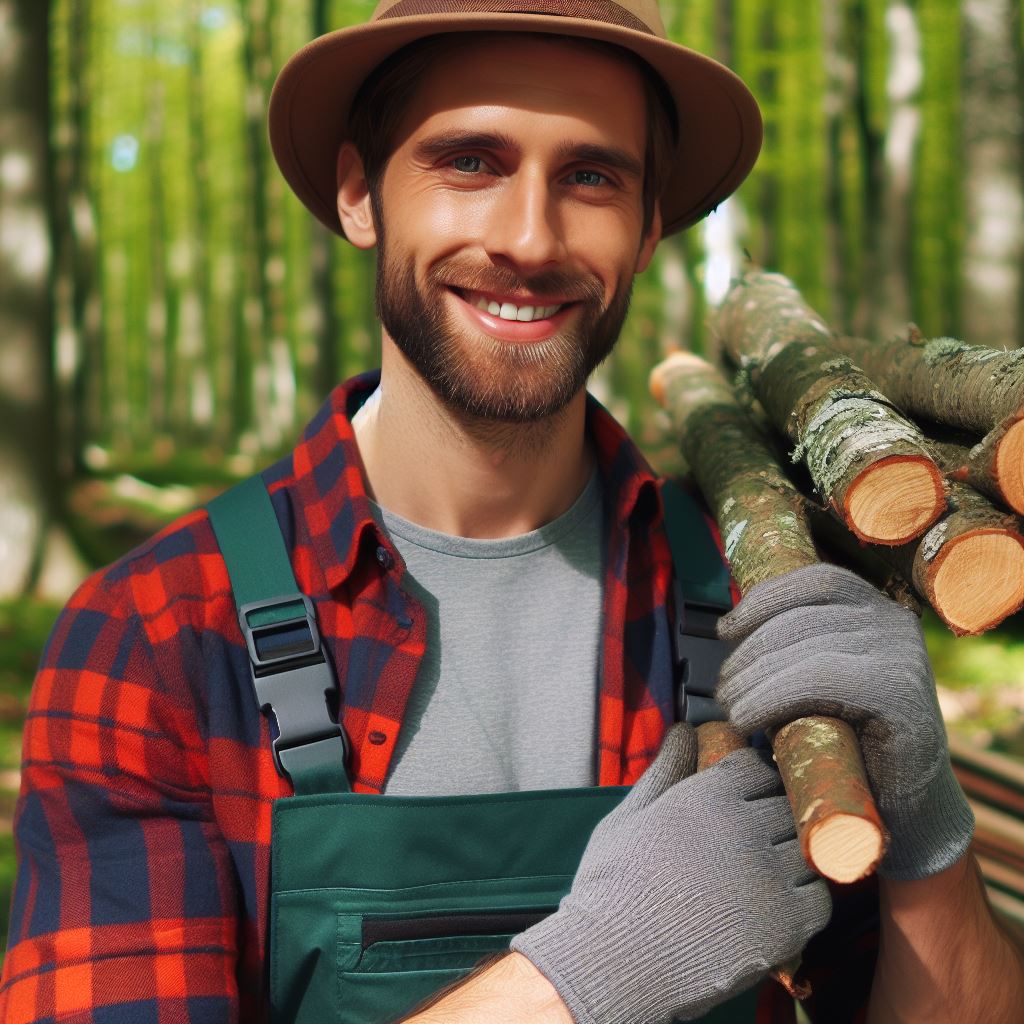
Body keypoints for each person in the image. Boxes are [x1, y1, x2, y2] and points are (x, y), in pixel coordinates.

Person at [2, 1, 1022, 1022]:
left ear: (647, 223)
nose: (529, 238)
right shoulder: (158, 636)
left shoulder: (753, 586)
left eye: (590, 176)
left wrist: (927, 843)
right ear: (361, 195)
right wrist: (587, 976)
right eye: (471, 162)